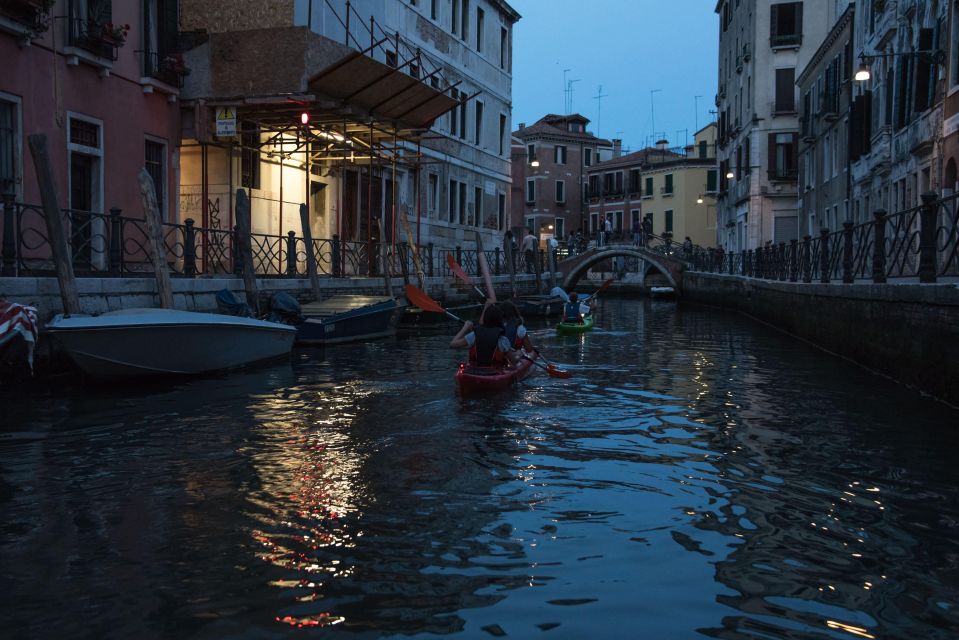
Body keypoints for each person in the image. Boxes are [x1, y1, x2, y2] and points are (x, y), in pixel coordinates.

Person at [450, 302, 513, 366]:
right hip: (494, 372)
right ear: (500, 320)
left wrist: (465, 327)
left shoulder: (474, 335)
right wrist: (519, 354)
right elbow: (514, 360)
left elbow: (452, 344)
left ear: (485, 318)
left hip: (474, 371)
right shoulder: (503, 339)